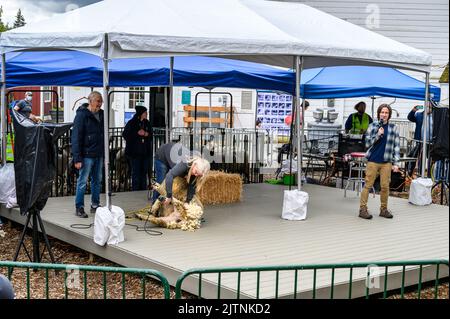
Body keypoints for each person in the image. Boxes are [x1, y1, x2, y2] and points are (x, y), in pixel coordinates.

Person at [359, 104, 400, 220]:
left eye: (386, 113)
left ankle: (383, 209)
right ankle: (362, 209)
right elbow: (367, 144)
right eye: (382, 112)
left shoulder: (393, 128)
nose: (384, 114)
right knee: (368, 185)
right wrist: (378, 135)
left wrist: (396, 163)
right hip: (373, 161)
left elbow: (396, 146)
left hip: (386, 162)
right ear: (379, 113)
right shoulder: (372, 126)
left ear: (389, 115)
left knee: (385, 187)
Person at [71, 91, 105, 218]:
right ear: (90, 101)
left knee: (97, 180)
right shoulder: (81, 115)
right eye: (97, 101)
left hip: (98, 153)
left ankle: (95, 205)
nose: (99, 104)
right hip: (86, 154)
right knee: (82, 181)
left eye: (101, 102)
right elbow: (76, 137)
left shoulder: (101, 114)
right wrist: (77, 158)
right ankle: (79, 207)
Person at [122, 105, 152, 191]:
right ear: (141, 113)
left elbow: (151, 135)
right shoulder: (131, 123)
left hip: (145, 152)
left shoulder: (147, 123)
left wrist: (146, 134)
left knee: (144, 172)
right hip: (134, 153)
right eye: (145, 112)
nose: (147, 114)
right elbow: (125, 135)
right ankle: (135, 190)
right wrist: (137, 133)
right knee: (136, 172)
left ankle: (143, 189)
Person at [407, 104, 433, 175]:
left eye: (430, 107)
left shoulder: (435, 116)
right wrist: (413, 110)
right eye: (427, 106)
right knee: (421, 159)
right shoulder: (419, 115)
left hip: (431, 143)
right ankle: (420, 174)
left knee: (430, 160)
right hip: (420, 141)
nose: (428, 108)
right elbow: (410, 118)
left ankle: (429, 176)